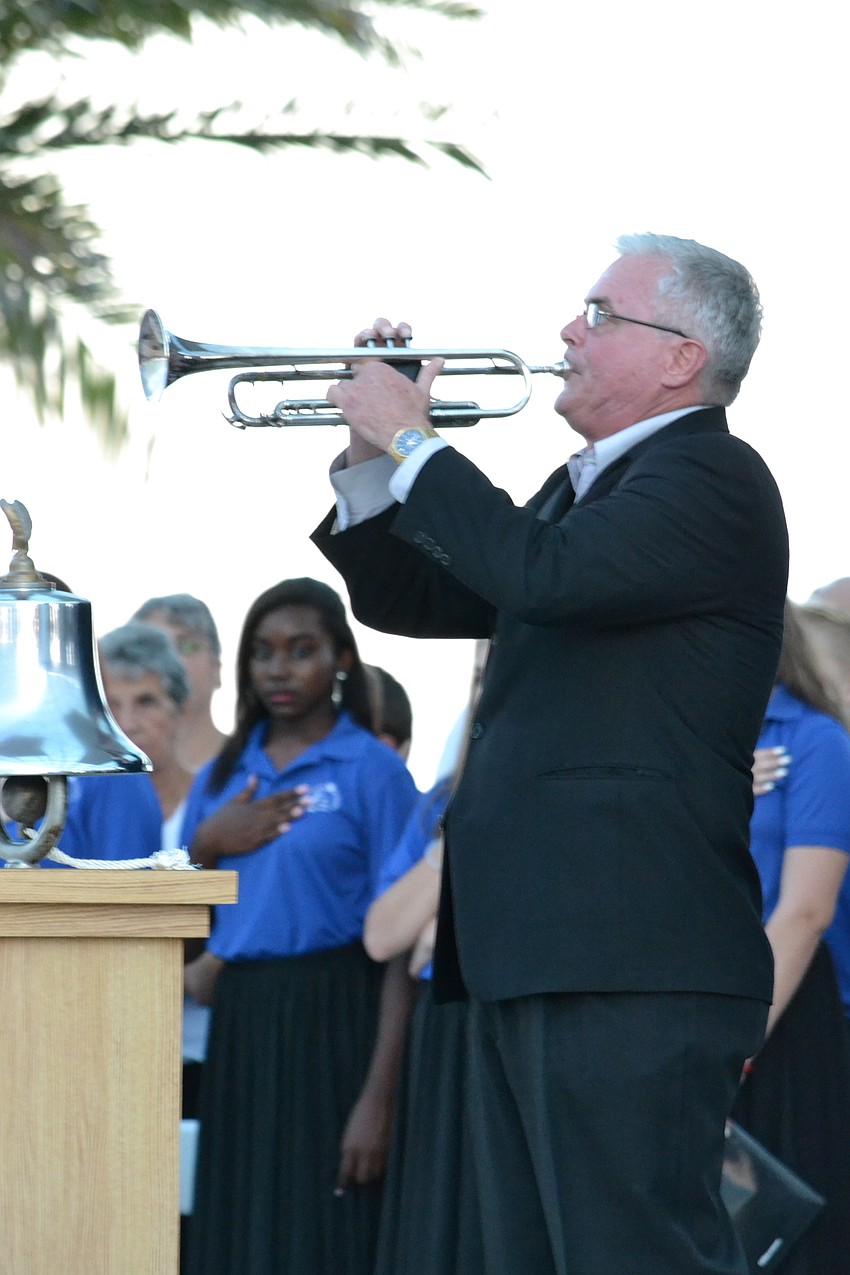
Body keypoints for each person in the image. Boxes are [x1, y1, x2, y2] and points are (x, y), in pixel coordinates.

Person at [311, 233, 789, 1275]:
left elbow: (545, 576)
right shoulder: (584, 490)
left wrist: (415, 441)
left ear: (681, 358)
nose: (569, 331)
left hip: (628, 954)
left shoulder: (710, 474)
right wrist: (369, 452)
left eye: (601, 314)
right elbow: (415, 598)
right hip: (543, 944)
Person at [182, 577, 418, 1275]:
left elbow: (402, 947)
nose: (278, 669)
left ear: (341, 658)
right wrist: (207, 844)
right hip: (243, 1021)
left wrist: (379, 1098)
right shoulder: (221, 776)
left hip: (338, 1016)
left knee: (325, 1234)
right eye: (262, 652)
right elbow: (183, 930)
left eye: (301, 650)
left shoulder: (373, 771)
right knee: (245, 1227)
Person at [731, 600, 850, 1274]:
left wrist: (736, 1044)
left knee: (786, 1242)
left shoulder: (815, 738)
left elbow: (806, 910)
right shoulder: (690, 742)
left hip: (780, 1007)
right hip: (698, 1004)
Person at [132, 593, 228, 771]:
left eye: (188, 647)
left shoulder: (262, 765)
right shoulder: (104, 775)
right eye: (156, 649)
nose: (172, 661)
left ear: (216, 668)